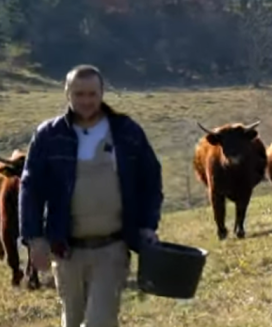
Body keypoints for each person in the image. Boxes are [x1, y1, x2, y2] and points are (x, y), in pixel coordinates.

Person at [19, 65, 164, 327]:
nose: (86, 101)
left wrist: (147, 225)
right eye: (79, 94)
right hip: (66, 250)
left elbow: (151, 179)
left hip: (112, 247)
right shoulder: (48, 135)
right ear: (67, 94)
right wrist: (34, 239)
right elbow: (31, 188)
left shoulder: (126, 131)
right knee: (71, 320)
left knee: (100, 322)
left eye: (92, 94)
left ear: (102, 93)